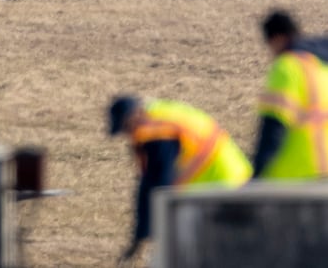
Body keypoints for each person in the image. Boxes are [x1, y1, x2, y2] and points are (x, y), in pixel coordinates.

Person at [107, 95, 251, 267]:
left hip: (222, 182)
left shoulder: (156, 131)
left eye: (127, 127)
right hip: (224, 177)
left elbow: (162, 186)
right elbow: (150, 183)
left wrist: (148, 234)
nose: (128, 134)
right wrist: (140, 235)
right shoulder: (155, 118)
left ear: (135, 115)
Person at [253, 10, 328, 181]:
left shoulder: (288, 67)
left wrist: (257, 174)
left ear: (277, 39)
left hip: (304, 175)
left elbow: (273, 128)